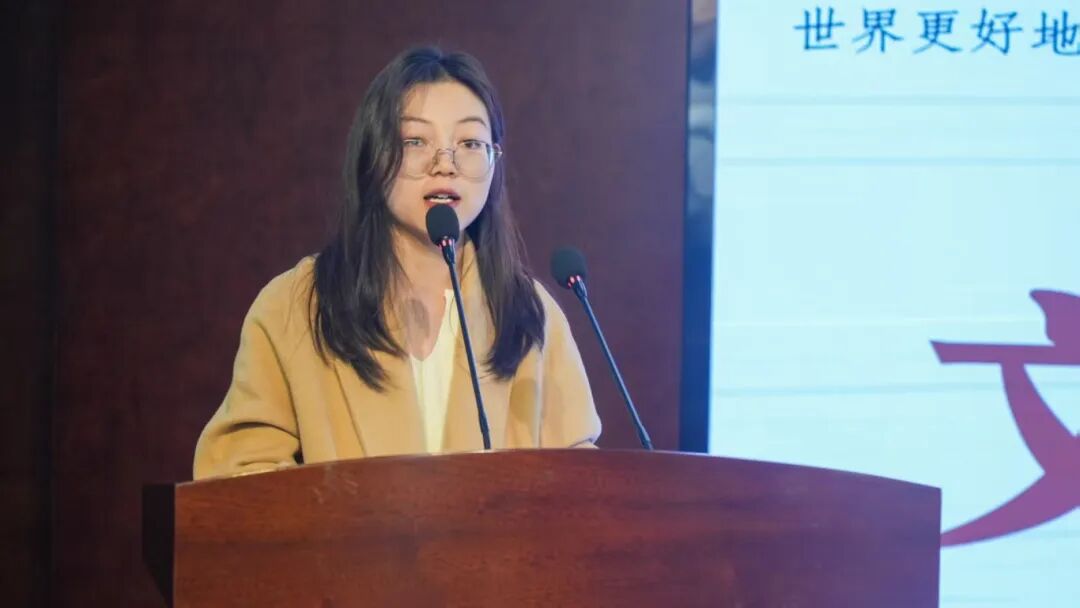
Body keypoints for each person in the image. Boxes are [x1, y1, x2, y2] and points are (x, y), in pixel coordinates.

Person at [193, 47, 601, 479]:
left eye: (469, 143)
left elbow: (579, 485)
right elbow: (237, 475)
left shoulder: (530, 314)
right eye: (415, 141)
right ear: (374, 155)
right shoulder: (296, 305)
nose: (445, 165)